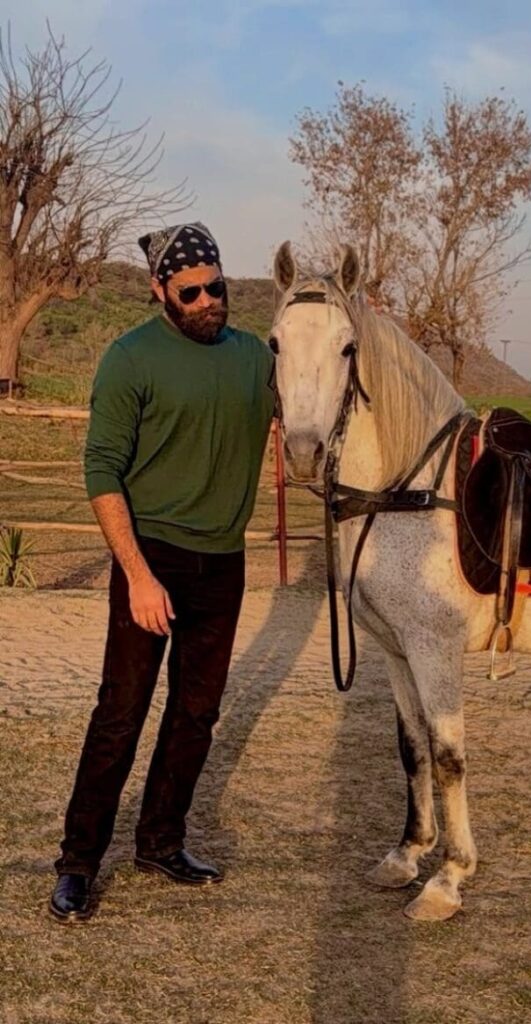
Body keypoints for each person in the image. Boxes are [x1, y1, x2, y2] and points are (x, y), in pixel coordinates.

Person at [50, 223, 276, 923]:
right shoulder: (130, 358)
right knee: (121, 712)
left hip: (224, 561)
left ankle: (160, 842)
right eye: (191, 292)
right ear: (159, 291)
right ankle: (78, 863)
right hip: (151, 558)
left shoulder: (254, 358)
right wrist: (139, 576)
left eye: (217, 287)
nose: (209, 301)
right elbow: (101, 470)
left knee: (196, 713)